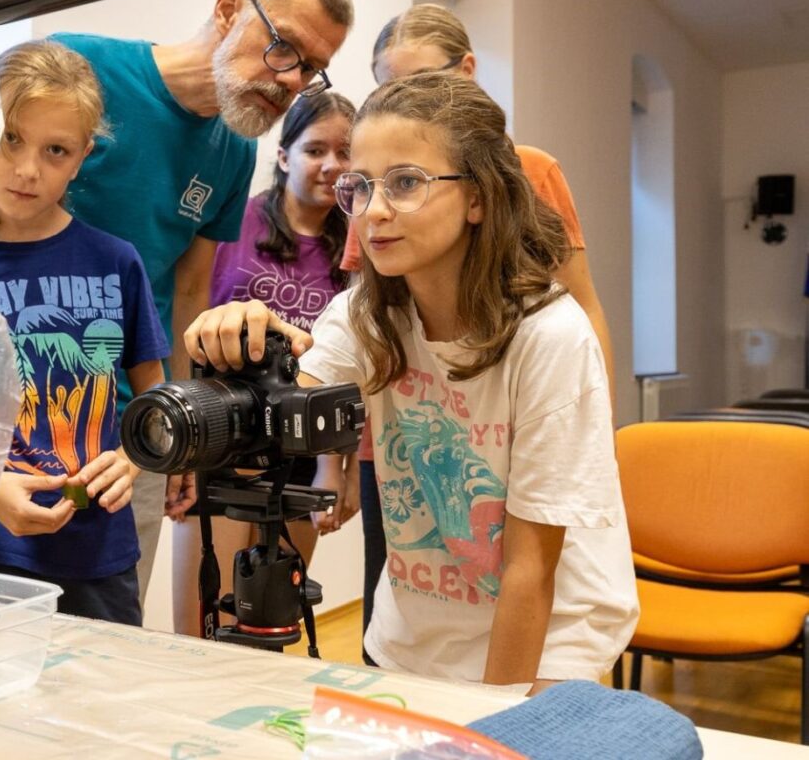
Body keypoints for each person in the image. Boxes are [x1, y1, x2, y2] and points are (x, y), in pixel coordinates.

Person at [181, 73, 638, 691]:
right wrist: (236, 359)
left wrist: (489, 720)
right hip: (415, 629)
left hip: (548, 634)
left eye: (405, 183)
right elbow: (268, 426)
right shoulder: (365, 314)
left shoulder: (549, 336)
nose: (373, 212)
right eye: (361, 186)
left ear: (478, 197)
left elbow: (530, 570)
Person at [0, 0, 354, 603]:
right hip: (2, 431)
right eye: (285, 47)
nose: (292, 80)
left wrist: (182, 435)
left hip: (127, 435)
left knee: (107, 618)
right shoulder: (79, 66)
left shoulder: (234, 150)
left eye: (312, 68)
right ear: (229, 10)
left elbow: (190, 289)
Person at [344, 4, 618, 659]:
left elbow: (581, 308)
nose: (377, 210)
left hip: (514, 429)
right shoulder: (378, 256)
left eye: (406, 182)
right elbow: (353, 323)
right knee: (417, 573)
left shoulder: (532, 183)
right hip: (408, 434)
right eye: (388, 87)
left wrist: (592, 434)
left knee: (510, 562)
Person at [0, 41, 171, 624]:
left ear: (82, 157)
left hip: (98, 554)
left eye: (55, 150)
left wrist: (133, 458)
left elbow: (155, 395)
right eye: (11, 139)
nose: (28, 169)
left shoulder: (117, 262)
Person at [171, 91, 359, 637]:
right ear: (283, 156)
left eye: (345, 153)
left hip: (303, 447)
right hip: (223, 437)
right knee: (205, 628)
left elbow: (352, 364)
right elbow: (189, 308)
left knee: (271, 625)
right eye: (315, 150)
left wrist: (337, 467)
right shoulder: (237, 223)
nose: (331, 166)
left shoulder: (358, 245)